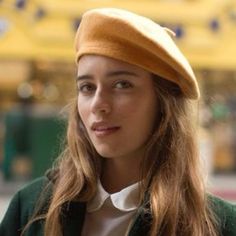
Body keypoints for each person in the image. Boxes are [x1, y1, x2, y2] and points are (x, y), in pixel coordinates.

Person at [0, 8, 236, 236]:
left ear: (164, 103)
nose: (98, 104)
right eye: (87, 87)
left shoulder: (221, 225)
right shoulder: (30, 209)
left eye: (122, 84)